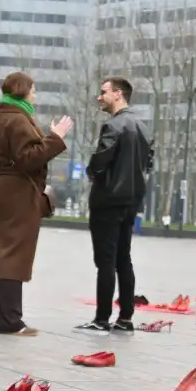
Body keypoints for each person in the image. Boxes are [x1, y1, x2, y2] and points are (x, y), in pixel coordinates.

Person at [0, 72, 73, 336]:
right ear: (23, 91)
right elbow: (28, 158)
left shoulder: (1, 117)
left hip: (4, 188)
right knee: (13, 252)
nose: (35, 95)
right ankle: (10, 320)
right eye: (33, 90)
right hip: (17, 191)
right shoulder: (17, 119)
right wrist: (56, 137)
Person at [75, 76, 153, 333]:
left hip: (108, 200)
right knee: (123, 259)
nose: (99, 97)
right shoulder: (143, 128)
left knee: (105, 261)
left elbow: (100, 161)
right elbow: (148, 164)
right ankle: (126, 317)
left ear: (118, 94)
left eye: (104, 92)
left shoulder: (113, 126)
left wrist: (92, 174)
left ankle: (102, 318)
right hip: (131, 201)